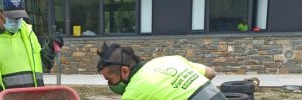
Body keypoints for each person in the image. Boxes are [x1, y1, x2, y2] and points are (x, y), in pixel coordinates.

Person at [97, 42, 227, 100]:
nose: (110, 84)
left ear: (124, 71)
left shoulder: (132, 94)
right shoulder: (168, 60)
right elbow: (211, 72)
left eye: (110, 79)